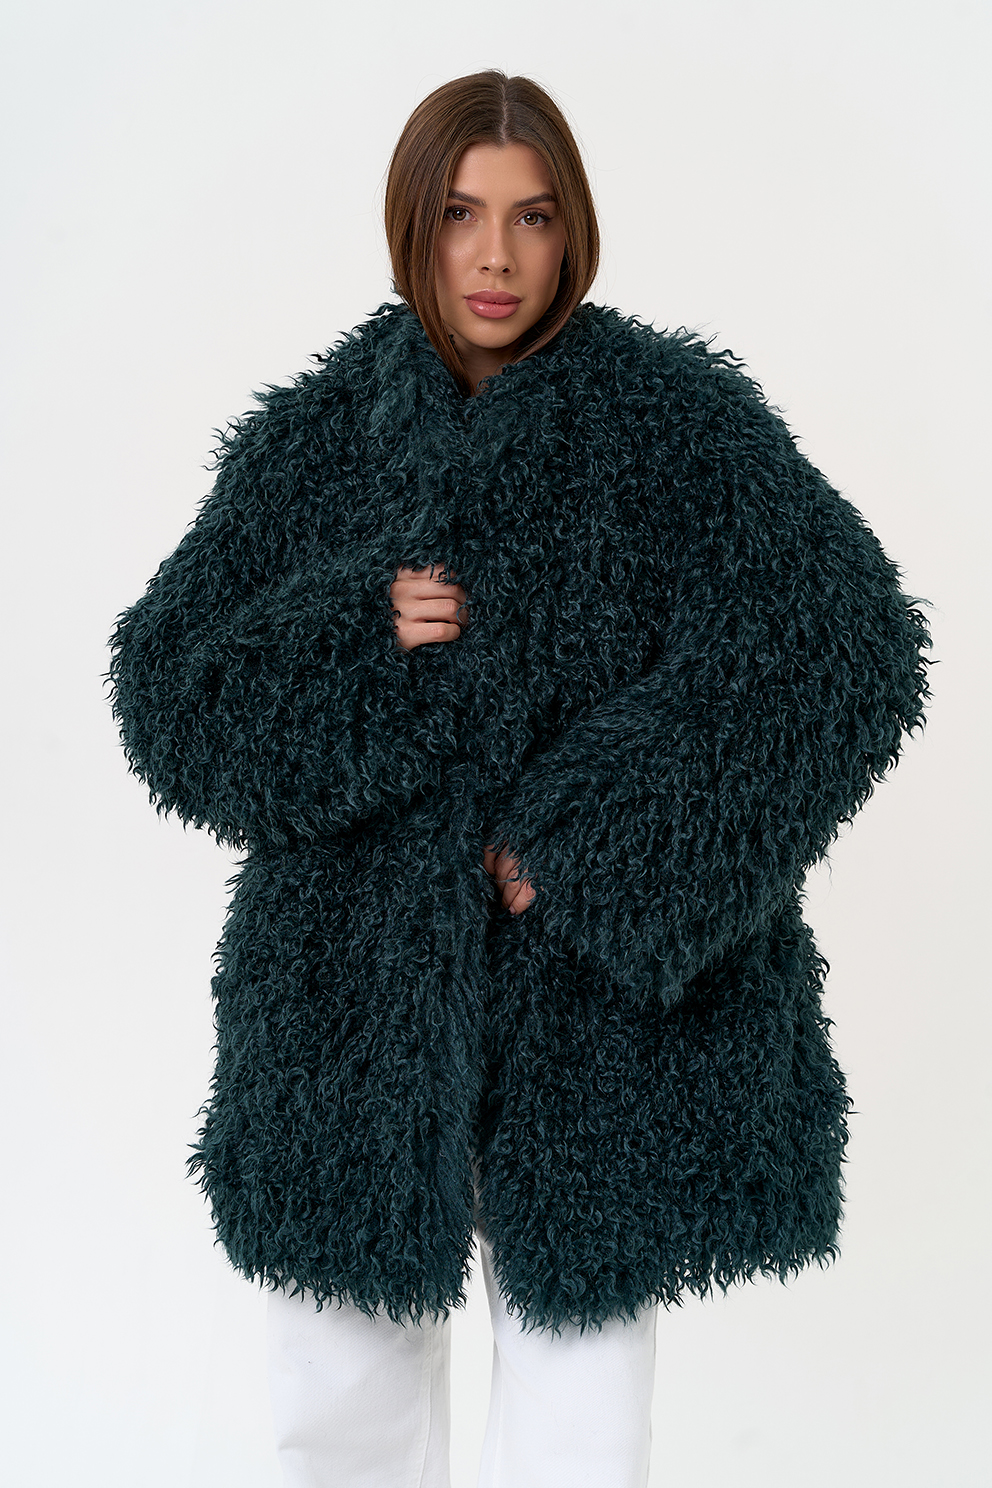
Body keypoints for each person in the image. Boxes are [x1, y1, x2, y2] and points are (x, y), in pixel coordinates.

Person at [107, 70, 929, 1488]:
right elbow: (170, 699)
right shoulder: (320, 441)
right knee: (338, 1412)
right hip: (351, 1003)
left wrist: (601, 846)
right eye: (461, 214)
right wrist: (351, 637)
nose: (495, 257)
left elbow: (844, 644)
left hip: (601, 1016)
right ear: (411, 226)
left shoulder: (675, 425)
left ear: (574, 231)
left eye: (533, 217)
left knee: (582, 1425)